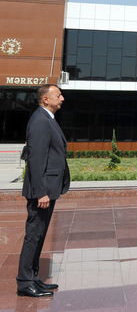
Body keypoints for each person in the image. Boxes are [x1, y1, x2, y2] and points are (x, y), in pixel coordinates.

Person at [16, 84, 70, 298]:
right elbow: (36, 159)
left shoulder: (47, 118)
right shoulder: (40, 120)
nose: (62, 98)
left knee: (39, 235)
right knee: (33, 235)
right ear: (46, 99)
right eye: (58, 95)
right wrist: (41, 192)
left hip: (48, 187)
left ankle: (32, 277)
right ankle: (24, 282)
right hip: (42, 190)